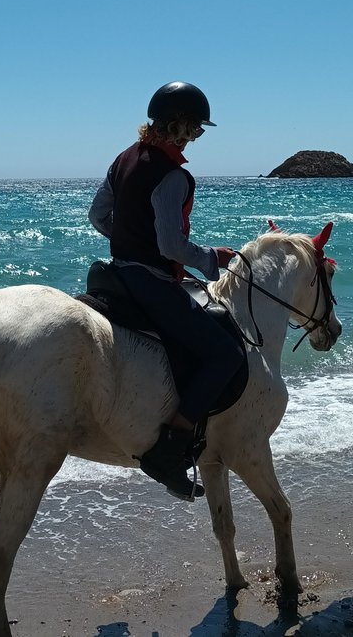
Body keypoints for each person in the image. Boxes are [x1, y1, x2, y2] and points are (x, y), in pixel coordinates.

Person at [88, 81, 242, 501]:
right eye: (195, 128)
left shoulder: (123, 159)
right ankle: (172, 448)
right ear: (177, 124)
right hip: (148, 280)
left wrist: (126, 239)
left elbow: (98, 215)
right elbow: (170, 246)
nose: (196, 136)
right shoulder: (174, 175)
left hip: (115, 273)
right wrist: (213, 259)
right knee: (224, 353)